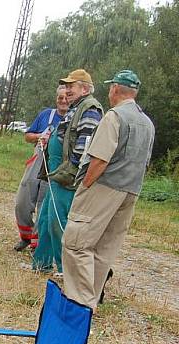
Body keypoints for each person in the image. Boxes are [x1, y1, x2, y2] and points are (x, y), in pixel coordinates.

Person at [62, 70, 154, 309]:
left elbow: (100, 159)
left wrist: (85, 184)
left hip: (104, 187)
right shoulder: (147, 123)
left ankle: (78, 302)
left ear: (114, 89)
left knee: (77, 242)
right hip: (131, 190)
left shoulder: (114, 116)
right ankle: (90, 301)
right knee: (105, 249)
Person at [31, 69, 102, 274]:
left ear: (85, 88)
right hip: (56, 171)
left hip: (67, 175)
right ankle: (41, 265)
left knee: (58, 222)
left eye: (72, 86)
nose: (67, 90)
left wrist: (72, 169)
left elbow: (85, 144)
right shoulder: (75, 107)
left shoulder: (89, 108)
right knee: (45, 220)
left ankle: (65, 269)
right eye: (66, 86)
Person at [13, 85, 69, 251]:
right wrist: (40, 136)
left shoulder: (73, 118)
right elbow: (27, 136)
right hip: (38, 158)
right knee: (22, 200)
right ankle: (26, 236)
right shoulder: (46, 115)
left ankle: (36, 244)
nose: (63, 101)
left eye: (67, 98)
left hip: (56, 163)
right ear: (56, 99)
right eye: (60, 98)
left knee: (44, 203)